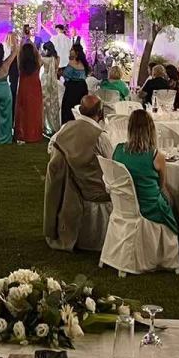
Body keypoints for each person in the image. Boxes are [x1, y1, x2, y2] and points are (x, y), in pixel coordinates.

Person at [43, 94, 112, 251]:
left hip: (67, 189)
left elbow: (51, 151)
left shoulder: (64, 130)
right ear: (100, 113)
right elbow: (111, 164)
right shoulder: (100, 137)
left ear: (80, 110)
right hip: (94, 191)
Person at [111, 109, 178, 234]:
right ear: (151, 130)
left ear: (129, 128)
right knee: (173, 201)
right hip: (149, 209)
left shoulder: (117, 150)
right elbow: (162, 187)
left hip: (125, 206)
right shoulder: (156, 156)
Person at [14, 42, 44, 143]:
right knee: (35, 111)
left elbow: (18, 54)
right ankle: (34, 134)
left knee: (23, 111)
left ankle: (22, 133)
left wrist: (22, 43)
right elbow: (38, 55)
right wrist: (32, 44)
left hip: (24, 89)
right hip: (35, 89)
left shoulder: (21, 64)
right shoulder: (37, 64)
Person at [61, 43, 91, 123]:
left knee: (69, 108)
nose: (70, 51)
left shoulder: (71, 62)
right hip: (83, 87)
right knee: (80, 106)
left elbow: (66, 74)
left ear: (76, 52)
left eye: (72, 49)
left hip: (73, 87)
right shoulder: (84, 63)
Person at [38, 43, 63, 136]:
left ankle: (44, 125)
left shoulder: (44, 59)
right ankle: (53, 124)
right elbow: (56, 69)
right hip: (54, 80)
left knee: (44, 102)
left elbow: (38, 67)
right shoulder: (57, 58)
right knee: (53, 102)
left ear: (47, 49)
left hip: (45, 80)